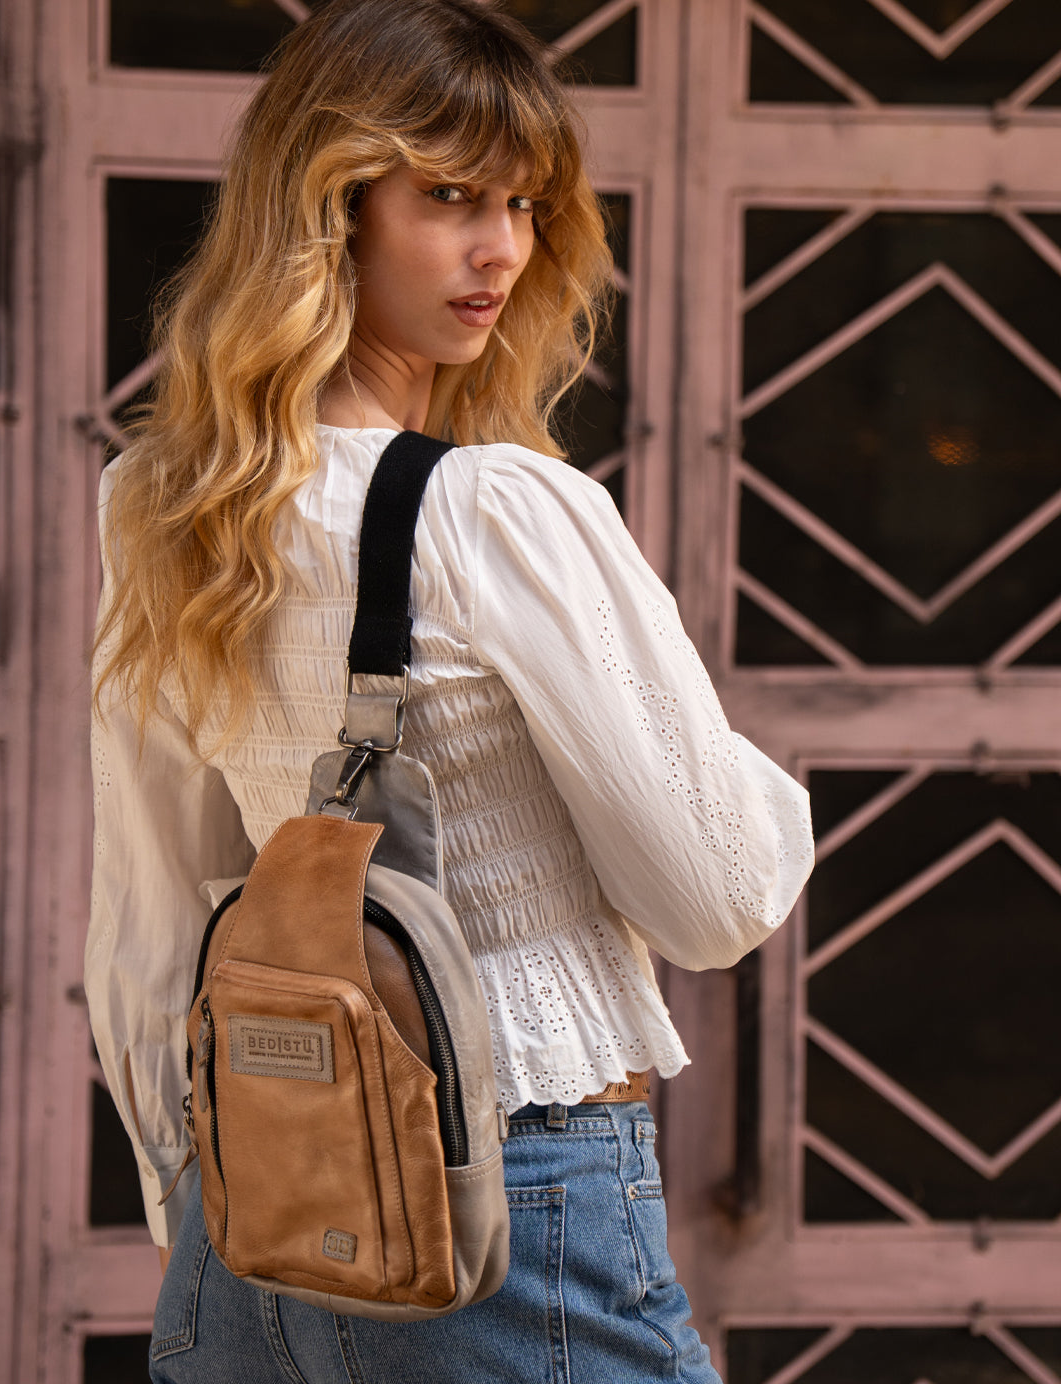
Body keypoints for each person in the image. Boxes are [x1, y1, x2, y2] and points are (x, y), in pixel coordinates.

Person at [87, 2, 814, 1380]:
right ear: (331, 209)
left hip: (250, 1199)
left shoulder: (158, 503)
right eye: (450, 199)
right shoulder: (499, 512)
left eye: (524, 205)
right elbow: (714, 899)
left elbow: (154, 906)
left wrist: (197, 1193)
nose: (503, 251)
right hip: (507, 1196)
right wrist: (747, 779)